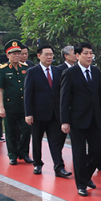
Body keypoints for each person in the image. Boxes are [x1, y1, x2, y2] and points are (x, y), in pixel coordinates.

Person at [60, 42, 101, 196]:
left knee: (97, 150)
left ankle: (86, 175)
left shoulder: (95, 72)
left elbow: (100, 95)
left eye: (91, 53)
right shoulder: (70, 73)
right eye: (86, 53)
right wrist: (64, 121)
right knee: (79, 153)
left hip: (95, 118)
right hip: (77, 119)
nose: (89, 56)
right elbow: (64, 99)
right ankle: (81, 184)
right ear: (77, 55)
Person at [24, 44, 70, 177]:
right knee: (37, 140)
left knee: (55, 141)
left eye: (51, 54)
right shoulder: (32, 72)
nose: (50, 57)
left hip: (55, 114)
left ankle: (59, 167)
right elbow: (28, 95)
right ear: (39, 56)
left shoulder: (57, 71)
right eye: (47, 54)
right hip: (38, 113)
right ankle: (37, 164)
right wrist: (28, 113)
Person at [0, 40, 32, 165]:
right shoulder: (2, 70)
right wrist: (1, 107)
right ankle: (12, 155)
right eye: (14, 53)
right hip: (10, 105)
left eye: (18, 53)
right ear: (8, 55)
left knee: (26, 130)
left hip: (24, 106)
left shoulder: (26, 68)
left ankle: (24, 153)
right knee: (10, 131)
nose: (17, 56)